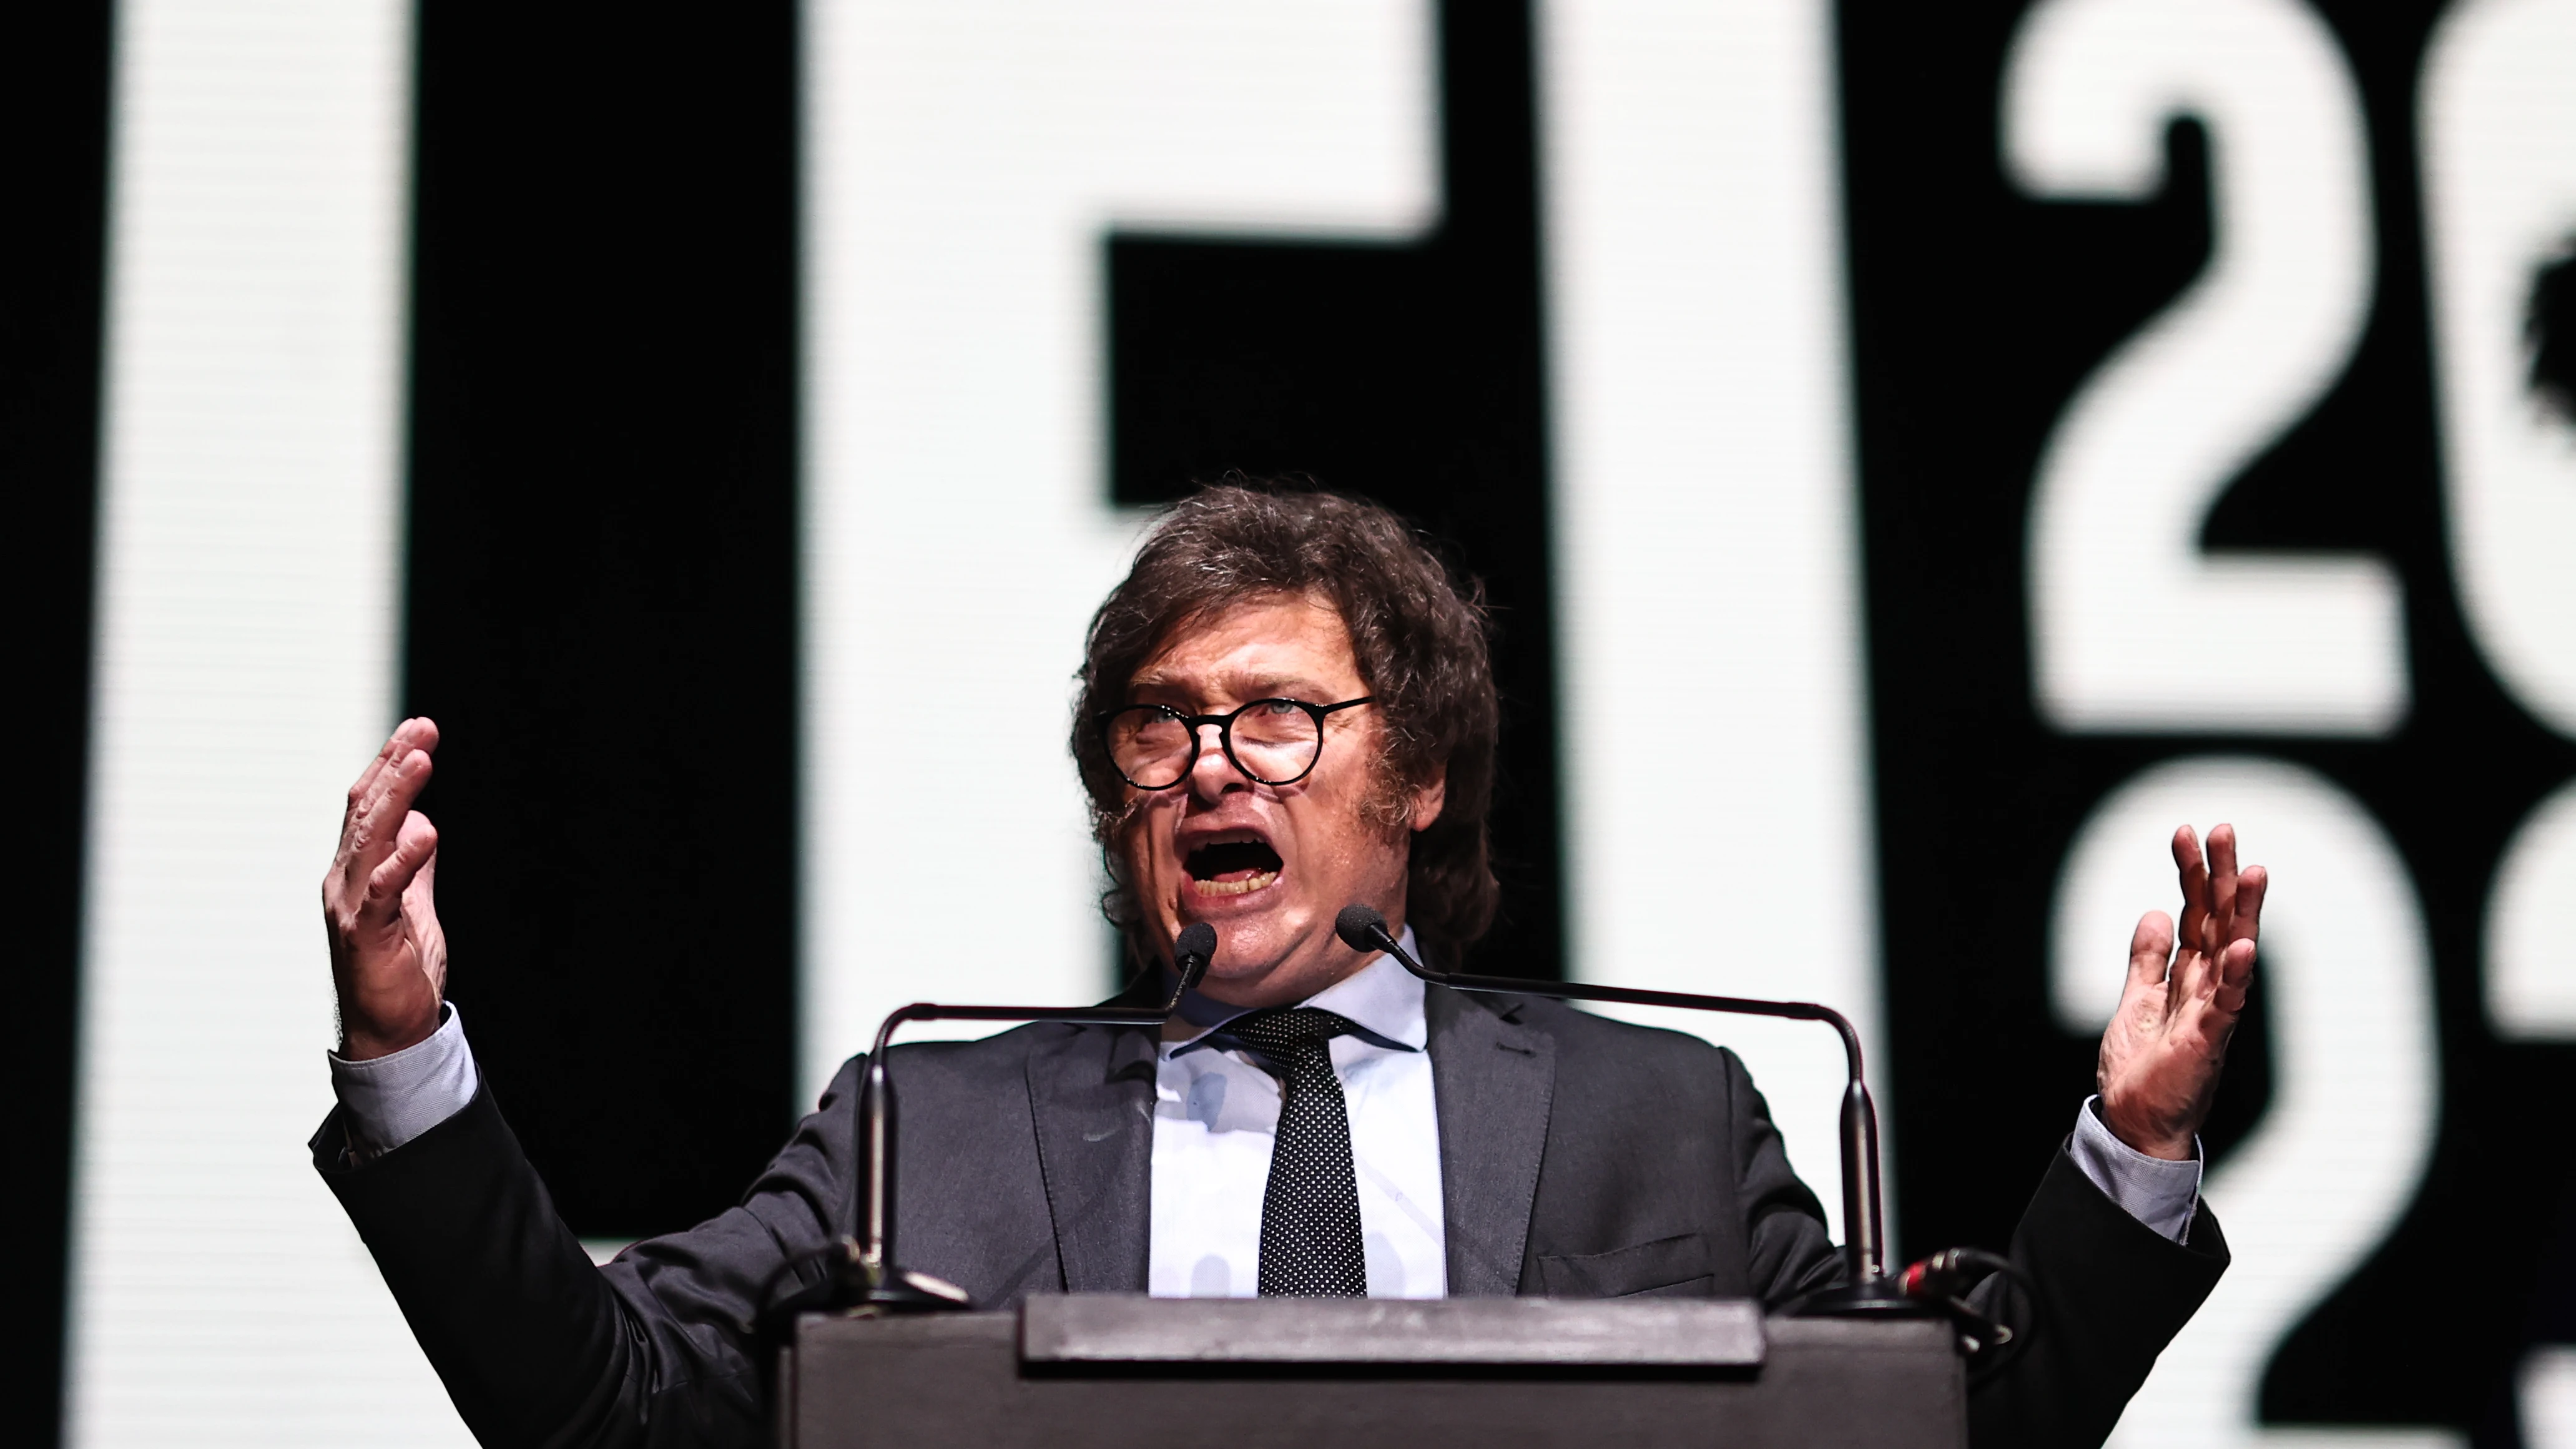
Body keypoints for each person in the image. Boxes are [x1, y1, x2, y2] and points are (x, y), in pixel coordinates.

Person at [317, 485, 2261, 1448]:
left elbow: (1951, 1432)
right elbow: (602, 1408)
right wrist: (409, 1056)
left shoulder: (1652, 1119)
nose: (1204, 768)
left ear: (1414, 777)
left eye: (1273, 719)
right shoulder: (936, 1127)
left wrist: (2134, 1144)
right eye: (1157, 731)